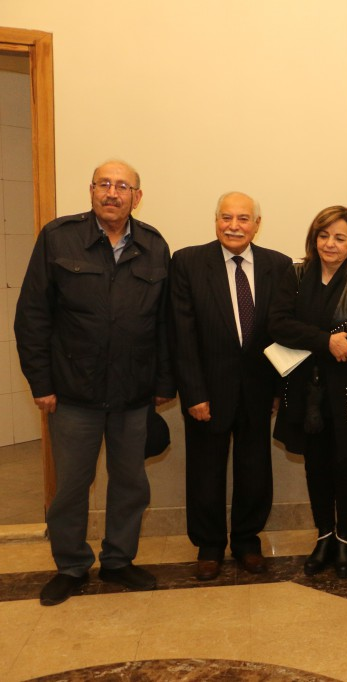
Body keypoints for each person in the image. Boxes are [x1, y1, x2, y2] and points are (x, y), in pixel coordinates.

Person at [14, 160, 175, 606]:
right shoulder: (58, 237)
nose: (112, 192)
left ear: (136, 197)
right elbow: (32, 316)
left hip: (133, 394)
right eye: (104, 183)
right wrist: (40, 383)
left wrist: (164, 383)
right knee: (70, 487)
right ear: (91, 191)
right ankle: (70, 566)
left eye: (122, 186)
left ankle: (119, 561)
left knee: (130, 484)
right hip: (72, 393)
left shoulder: (154, 245)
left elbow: (164, 323)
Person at [169, 192, 292, 581]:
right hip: (207, 391)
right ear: (216, 220)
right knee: (205, 471)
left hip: (258, 389)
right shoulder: (188, 262)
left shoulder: (278, 265)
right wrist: (194, 393)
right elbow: (182, 334)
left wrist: (278, 389)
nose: (234, 226)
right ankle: (209, 546)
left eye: (243, 218)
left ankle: (246, 541)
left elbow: (283, 330)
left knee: (255, 470)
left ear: (257, 224)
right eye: (226, 217)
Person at [268, 206, 347, 578]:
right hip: (306, 392)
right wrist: (327, 342)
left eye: (339, 237)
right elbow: (278, 324)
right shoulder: (297, 273)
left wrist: (330, 344)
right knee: (315, 466)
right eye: (323, 235)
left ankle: (346, 538)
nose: (329, 244)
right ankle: (324, 536)